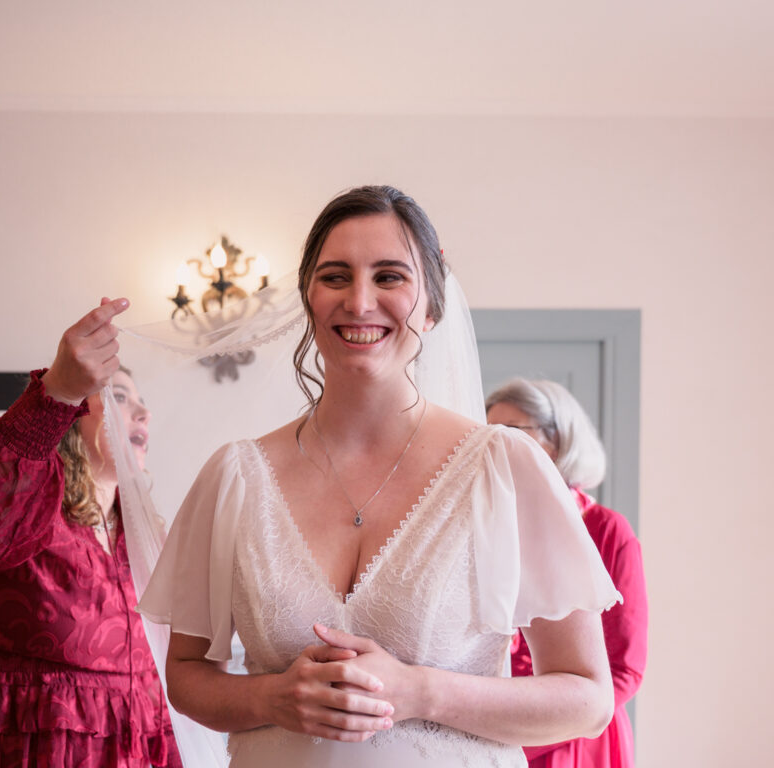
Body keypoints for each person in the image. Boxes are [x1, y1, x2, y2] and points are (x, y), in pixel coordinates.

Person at [137, 185, 623, 767]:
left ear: (432, 304)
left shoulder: (505, 468)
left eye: (389, 277)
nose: (360, 301)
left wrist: (421, 692)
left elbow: (589, 698)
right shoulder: (236, 477)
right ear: (309, 298)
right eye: (336, 277)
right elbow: (187, 675)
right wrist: (270, 695)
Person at [0, 298, 182, 768]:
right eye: (119, 396)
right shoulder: (24, 499)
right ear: (73, 415)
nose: (141, 413)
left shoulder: (146, 535)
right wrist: (56, 391)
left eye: (143, 403)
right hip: (3, 749)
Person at [486, 378, 647, 768]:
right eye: (488, 433)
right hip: (489, 725)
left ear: (556, 444)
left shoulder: (607, 530)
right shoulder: (486, 525)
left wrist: (523, 740)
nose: (496, 447)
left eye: (513, 433)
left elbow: (625, 669)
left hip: (570, 741)